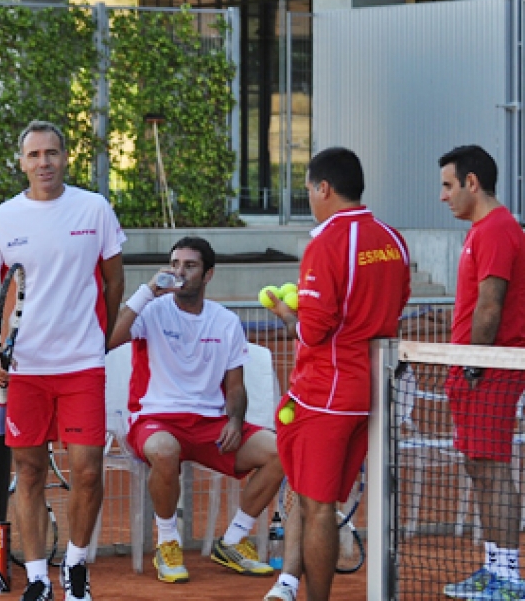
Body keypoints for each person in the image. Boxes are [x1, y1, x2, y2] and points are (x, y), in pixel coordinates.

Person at [0, 120, 126, 601]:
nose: (44, 163)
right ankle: (38, 577)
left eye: (52, 153)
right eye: (34, 155)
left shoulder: (94, 209)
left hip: (82, 365)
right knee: (30, 471)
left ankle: (76, 567)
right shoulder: (0, 220)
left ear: (65, 158)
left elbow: (114, 282)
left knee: (87, 471)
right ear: (22, 162)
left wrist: (97, 337)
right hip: (26, 372)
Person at [262, 147, 410, 601]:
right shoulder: (393, 239)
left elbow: (316, 327)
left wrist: (290, 315)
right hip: (372, 389)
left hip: (324, 393)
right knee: (314, 493)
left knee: (317, 504)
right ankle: (289, 583)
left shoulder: (325, 243)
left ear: (323, 188)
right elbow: (397, 304)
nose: (308, 197)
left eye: (308, 189)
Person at [108, 236, 285, 584]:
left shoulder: (225, 321)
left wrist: (235, 420)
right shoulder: (152, 310)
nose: (180, 272)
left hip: (210, 424)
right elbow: (110, 338)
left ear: (208, 275)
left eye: (189, 266)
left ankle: (234, 539)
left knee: (281, 451)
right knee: (164, 449)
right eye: (175, 265)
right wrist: (146, 292)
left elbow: (235, 386)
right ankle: (168, 541)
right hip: (155, 420)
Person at [438, 145, 525, 600]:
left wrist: (473, 364)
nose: (443, 195)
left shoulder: (496, 230)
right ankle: (495, 568)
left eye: (448, 185)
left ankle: (509, 577)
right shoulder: (482, 230)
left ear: (472, 183)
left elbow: (490, 307)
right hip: (478, 367)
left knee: (493, 470)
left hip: (489, 368)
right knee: (481, 468)